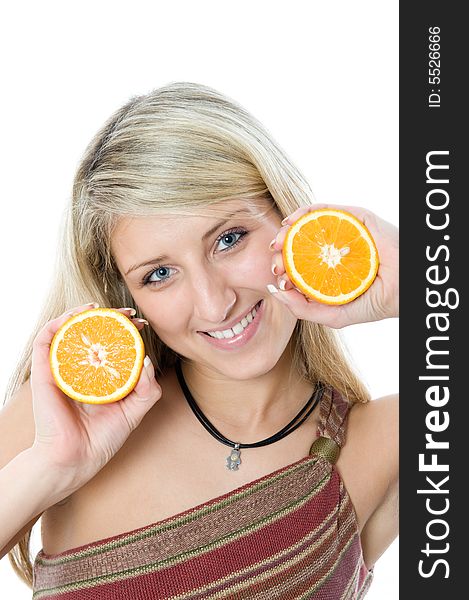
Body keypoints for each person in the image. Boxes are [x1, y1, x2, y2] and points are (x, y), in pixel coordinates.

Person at [0, 82, 398, 599]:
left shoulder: (389, 441)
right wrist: (50, 469)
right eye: (159, 273)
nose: (214, 304)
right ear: (128, 295)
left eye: (229, 239)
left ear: (287, 212)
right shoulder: (61, 417)